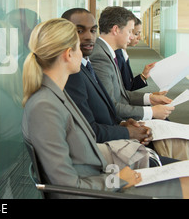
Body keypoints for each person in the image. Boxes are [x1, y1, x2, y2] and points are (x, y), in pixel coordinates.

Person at [22, 18, 188, 198]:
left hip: (102, 175)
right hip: (101, 187)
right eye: (78, 47)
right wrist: (118, 179)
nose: (84, 54)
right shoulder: (45, 107)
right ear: (68, 54)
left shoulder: (55, 95)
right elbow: (67, 186)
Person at [61, 8, 179, 165]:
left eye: (93, 30)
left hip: (113, 134)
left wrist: (129, 119)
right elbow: (90, 128)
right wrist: (129, 129)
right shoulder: (80, 69)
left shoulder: (89, 62)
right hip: (103, 152)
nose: (89, 37)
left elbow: (117, 96)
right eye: (79, 31)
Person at [89, 7, 174, 121]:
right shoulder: (100, 57)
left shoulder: (107, 52)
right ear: (116, 30)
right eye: (129, 31)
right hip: (116, 121)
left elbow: (122, 94)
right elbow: (110, 105)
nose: (131, 36)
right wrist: (152, 112)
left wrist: (150, 98)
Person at [115, 17, 155, 91]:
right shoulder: (116, 56)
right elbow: (124, 92)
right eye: (136, 33)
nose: (139, 38)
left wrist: (144, 75)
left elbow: (128, 86)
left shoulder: (122, 52)